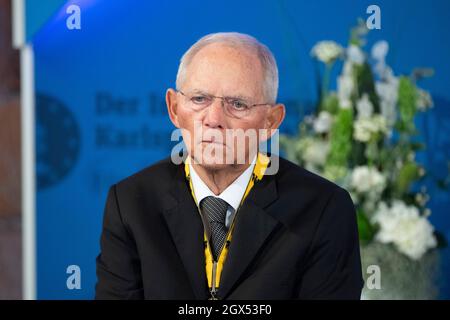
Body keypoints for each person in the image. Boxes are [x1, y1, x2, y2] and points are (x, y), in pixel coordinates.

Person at [95, 32, 364, 300]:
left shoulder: (322, 209)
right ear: (174, 109)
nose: (213, 119)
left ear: (271, 121)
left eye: (238, 104)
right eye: (199, 99)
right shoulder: (131, 202)